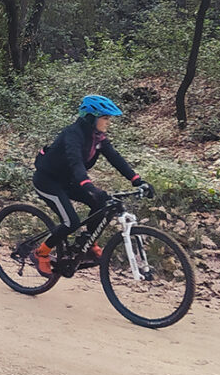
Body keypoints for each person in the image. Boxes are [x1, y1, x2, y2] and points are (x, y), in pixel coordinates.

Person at [31, 94, 151, 277]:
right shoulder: (73, 134)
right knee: (71, 222)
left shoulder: (97, 138)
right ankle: (42, 252)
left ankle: (88, 243)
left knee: (102, 203)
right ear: (90, 118)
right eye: (105, 118)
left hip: (69, 181)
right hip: (48, 181)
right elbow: (75, 161)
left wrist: (137, 180)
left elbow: (115, 158)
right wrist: (87, 184)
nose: (108, 122)